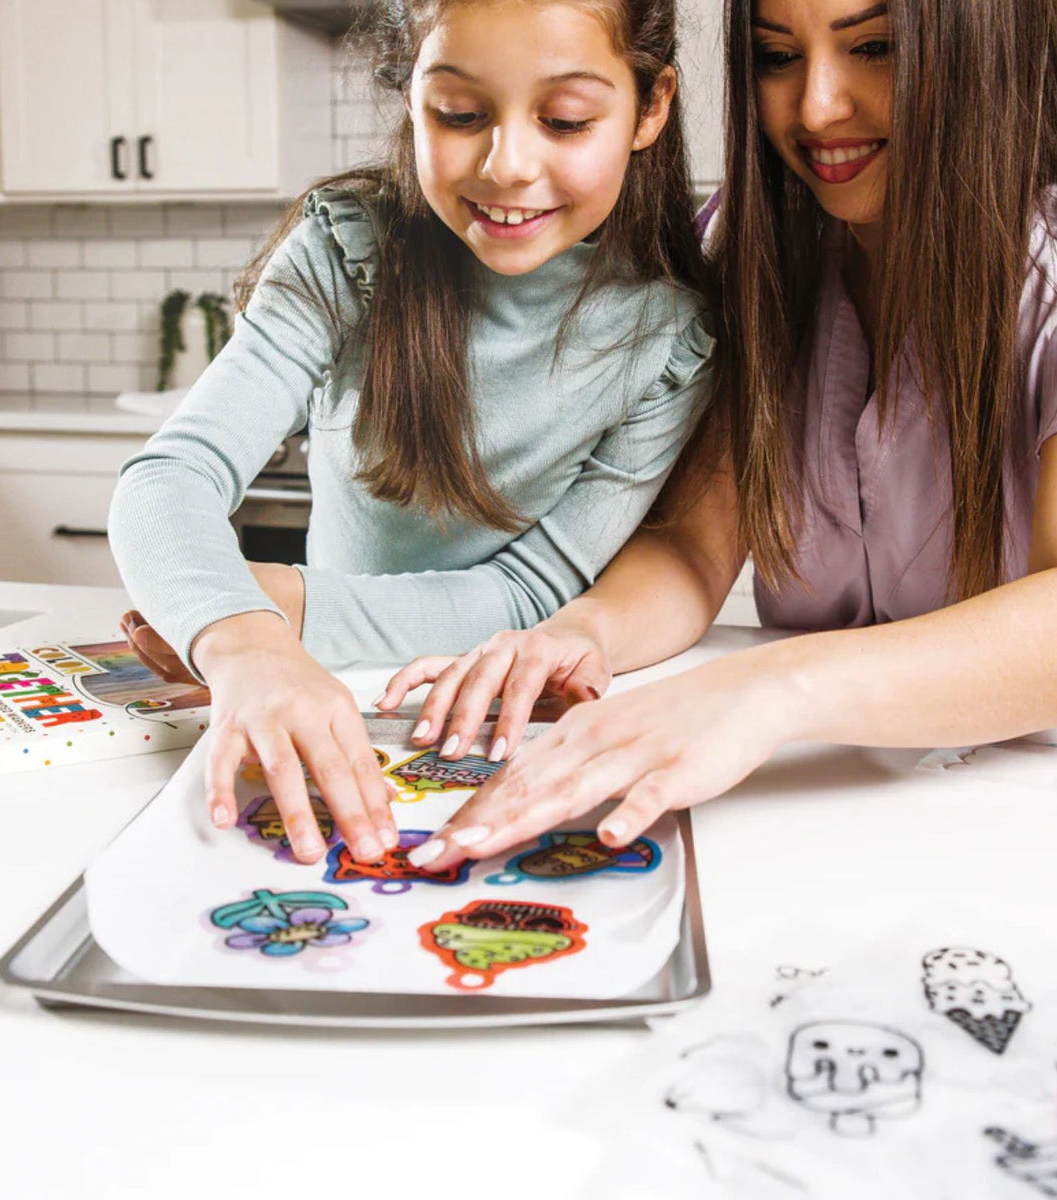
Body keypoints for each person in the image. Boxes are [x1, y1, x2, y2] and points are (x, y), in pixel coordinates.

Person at [391, 0, 1057, 873]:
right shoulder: (753, 243)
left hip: (1056, 823)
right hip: (835, 805)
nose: (817, 107)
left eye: (875, 47)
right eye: (777, 56)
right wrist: (580, 633)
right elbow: (697, 547)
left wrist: (763, 690)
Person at [107, 0, 715, 868]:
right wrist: (244, 640)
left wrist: (290, 609)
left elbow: (531, 595)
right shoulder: (346, 249)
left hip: (495, 723)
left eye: (566, 120)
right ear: (411, 97)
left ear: (649, 109)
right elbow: (171, 475)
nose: (507, 166)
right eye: (460, 115)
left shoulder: (670, 342)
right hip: (299, 686)